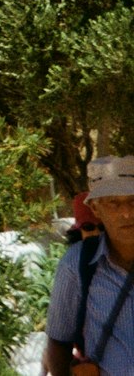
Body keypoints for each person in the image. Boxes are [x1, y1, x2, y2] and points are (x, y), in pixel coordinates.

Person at [45, 156, 134, 376]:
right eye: (114, 203)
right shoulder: (77, 264)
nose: (127, 213)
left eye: (133, 201)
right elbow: (58, 342)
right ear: (95, 209)